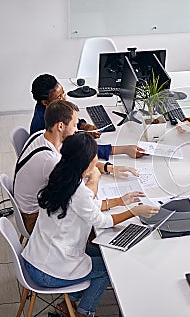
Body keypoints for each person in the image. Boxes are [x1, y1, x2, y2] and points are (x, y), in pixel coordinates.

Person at [22, 133, 159, 317]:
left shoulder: (61, 176)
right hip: (47, 270)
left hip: (37, 257)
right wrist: (134, 212)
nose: (97, 158)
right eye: (94, 155)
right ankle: (83, 312)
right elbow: (102, 220)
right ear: (86, 162)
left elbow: (86, 207)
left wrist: (121, 200)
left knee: (100, 253)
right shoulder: (78, 191)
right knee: (108, 269)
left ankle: (69, 301)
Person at [15, 100, 139, 234]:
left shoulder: (42, 135)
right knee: (97, 231)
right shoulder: (50, 161)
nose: (77, 130)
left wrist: (108, 168)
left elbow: (74, 158)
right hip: (35, 220)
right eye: (74, 125)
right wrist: (94, 178)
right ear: (61, 126)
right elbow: (82, 197)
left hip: (37, 207)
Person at [30, 74, 146, 160]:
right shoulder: (47, 125)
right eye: (59, 97)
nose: (64, 98)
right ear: (45, 102)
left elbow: (66, 117)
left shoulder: (49, 110)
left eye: (63, 93)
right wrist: (124, 149)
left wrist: (85, 126)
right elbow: (80, 149)